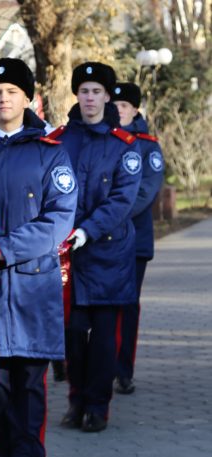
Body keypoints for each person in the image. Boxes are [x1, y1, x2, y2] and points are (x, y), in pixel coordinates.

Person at [0, 58, 77, 457]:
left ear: (28, 98)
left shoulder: (51, 151)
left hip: (31, 288)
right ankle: (10, 454)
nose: (3, 99)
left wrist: (3, 249)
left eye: (12, 92)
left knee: (29, 386)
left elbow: (59, 220)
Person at [50, 62, 142, 433]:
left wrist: (87, 229)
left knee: (103, 336)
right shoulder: (59, 140)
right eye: (84, 90)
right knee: (73, 333)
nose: (89, 98)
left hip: (109, 254)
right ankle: (76, 399)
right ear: (77, 95)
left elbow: (123, 201)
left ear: (108, 96)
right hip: (68, 255)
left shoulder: (124, 146)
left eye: (97, 92)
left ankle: (98, 405)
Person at [112, 82, 165, 395]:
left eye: (124, 106)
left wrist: (108, 216)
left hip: (133, 239)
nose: (118, 110)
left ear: (134, 110)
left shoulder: (148, 146)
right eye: (114, 104)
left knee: (128, 305)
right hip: (99, 241)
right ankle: (99, 366)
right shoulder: (103, 141)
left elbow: (146, 191)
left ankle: (124, 370)